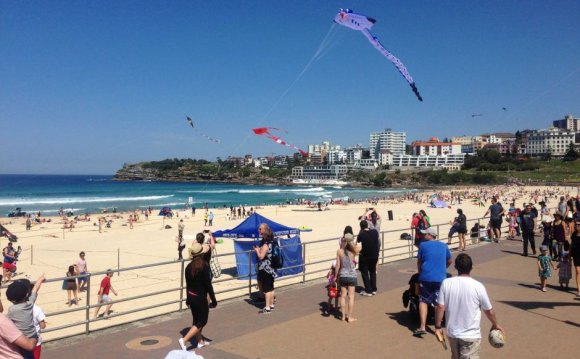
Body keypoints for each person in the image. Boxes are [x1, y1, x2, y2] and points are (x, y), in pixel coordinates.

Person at [435, 253, 504, 358]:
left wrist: (438, 327)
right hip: (471, 335)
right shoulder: (478, 286)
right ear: (471, 267)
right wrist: (495, 324)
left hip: (452, 333)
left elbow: (440, 307)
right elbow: (489, 311)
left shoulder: (446, 283)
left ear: (456, 267)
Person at [178, 242, 217, 351]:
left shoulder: (188, 267)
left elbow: (188, 285)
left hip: (191, 295)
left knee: (196, 320)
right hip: (200, 297)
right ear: (201, 253)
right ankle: (184, 340)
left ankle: (200, 342)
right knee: (202, 321)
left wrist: (188, 299)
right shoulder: (204, 266)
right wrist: (213, 299)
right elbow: (208, 285)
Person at [414, 227, 452, 337]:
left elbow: (419, 262)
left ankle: (422, 326)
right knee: (438, 302)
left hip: (426, 277)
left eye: (425, 234)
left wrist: (420, 272)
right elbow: (450, 260)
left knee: (423, 300)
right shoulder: (444, 246)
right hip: (440, 277)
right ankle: (437, 327)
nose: (423, 236)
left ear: (430, 235)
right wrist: (443, 268)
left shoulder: (423, 246)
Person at [6, 275, 45, 359]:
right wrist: (40, 279)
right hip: (33, 336)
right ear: (27, 294)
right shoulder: (30, 304)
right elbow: (35, 290)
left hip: (22, 339)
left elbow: (7, 322)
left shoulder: (12, 310)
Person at [334, 233, 359, 322]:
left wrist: (336, 276)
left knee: (343, 296)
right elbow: (359, 247)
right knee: (351, 297)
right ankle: (349, 317)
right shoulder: (354, 250)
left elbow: (337, 265)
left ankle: (343, 316)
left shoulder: (339, 251)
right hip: (352, 275)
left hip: (343, 275)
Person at [254, 223, 276, 314]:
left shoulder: (266, 244)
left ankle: (267, 307)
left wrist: (257, 251)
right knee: (271, 288)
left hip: (266, 269)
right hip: (271, 268)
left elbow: (261, 257)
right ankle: (271, 305)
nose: (259, 231)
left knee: (267, 289)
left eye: (260, 229)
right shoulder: (272, 242)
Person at [356, 220, 379, 296]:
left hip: (365, 256)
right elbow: (373, 232)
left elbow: (358, 241)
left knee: (364, 273)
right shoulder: (375, 232)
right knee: (372, 271)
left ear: (361, 227)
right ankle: (374, 289)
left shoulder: (361, 234)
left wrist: (361, 231)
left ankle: (368, 290)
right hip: (375, 255)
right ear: (367, 225)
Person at [570, 221, 580, 296]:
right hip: (576, 255)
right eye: (576, 224)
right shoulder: (573, 234)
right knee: (577, 271)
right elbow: (571, 244)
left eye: (579, 224)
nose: (577, 226)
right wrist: (569, 254)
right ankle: (579, 289)